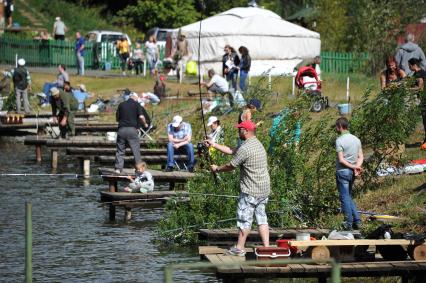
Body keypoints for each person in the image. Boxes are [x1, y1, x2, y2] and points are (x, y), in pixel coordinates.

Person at [206, 120, 270, 256]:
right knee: (262, 218)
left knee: (244, 219)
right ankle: (267, 247)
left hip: (250, 190)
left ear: (246, 131)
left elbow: (231, 165)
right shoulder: (256, 144)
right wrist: (214, 144)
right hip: (263, 189)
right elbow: (233, 150)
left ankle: (239, 248)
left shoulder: (245, 148)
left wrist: (217, 169)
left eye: (240, 129)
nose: (238, 131)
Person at [335, 117, 363, 230]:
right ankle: (357, 221)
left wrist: (354, 166)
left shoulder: (339, 140)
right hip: (352, 173)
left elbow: (341, 160)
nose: (336, 129)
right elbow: (361, 156)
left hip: (342, 172)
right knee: (348, 196)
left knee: (344, 197)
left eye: (336, 127)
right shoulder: (356, 139)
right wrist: (357, 167)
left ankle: (348, 223)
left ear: (340, 127)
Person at [114, 92, 150, 174]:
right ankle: (139, 170)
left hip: (121, 129)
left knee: (120, 151)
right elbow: (141, 116)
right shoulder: (137, 104)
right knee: (136, 151)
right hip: (132, 130)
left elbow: (117, 118)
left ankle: (118, 169)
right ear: (136, 98)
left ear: (129, 97)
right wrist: (145, 124)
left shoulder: (121, 104)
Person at [408, 58, 426, 146]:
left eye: (409, 65)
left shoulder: (419, 74)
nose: (409, 67)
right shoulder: (417, 73)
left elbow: (420, 87)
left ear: (413, 65)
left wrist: (407, 89)